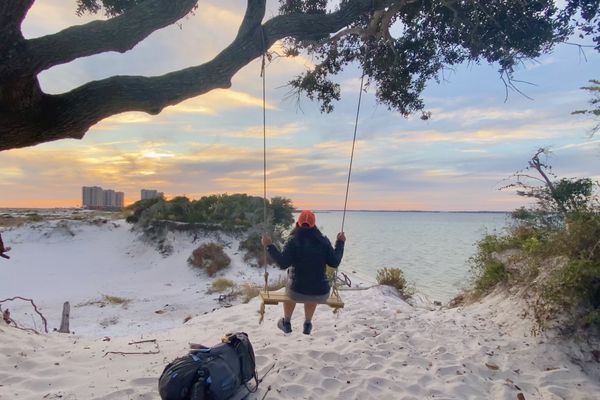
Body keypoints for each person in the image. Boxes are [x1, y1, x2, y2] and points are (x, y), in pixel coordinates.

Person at [262, 210, 346, 335]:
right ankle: (307, 323)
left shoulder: (293, 241)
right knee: (313, 289)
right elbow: (334, 262)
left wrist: (269, 246)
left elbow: (283, 264)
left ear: (298, 224)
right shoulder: (324, 241)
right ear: (314, 225)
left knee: (291, 288)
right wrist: (340, 243)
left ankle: (286, 322)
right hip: (321, 293)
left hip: (296, 292)